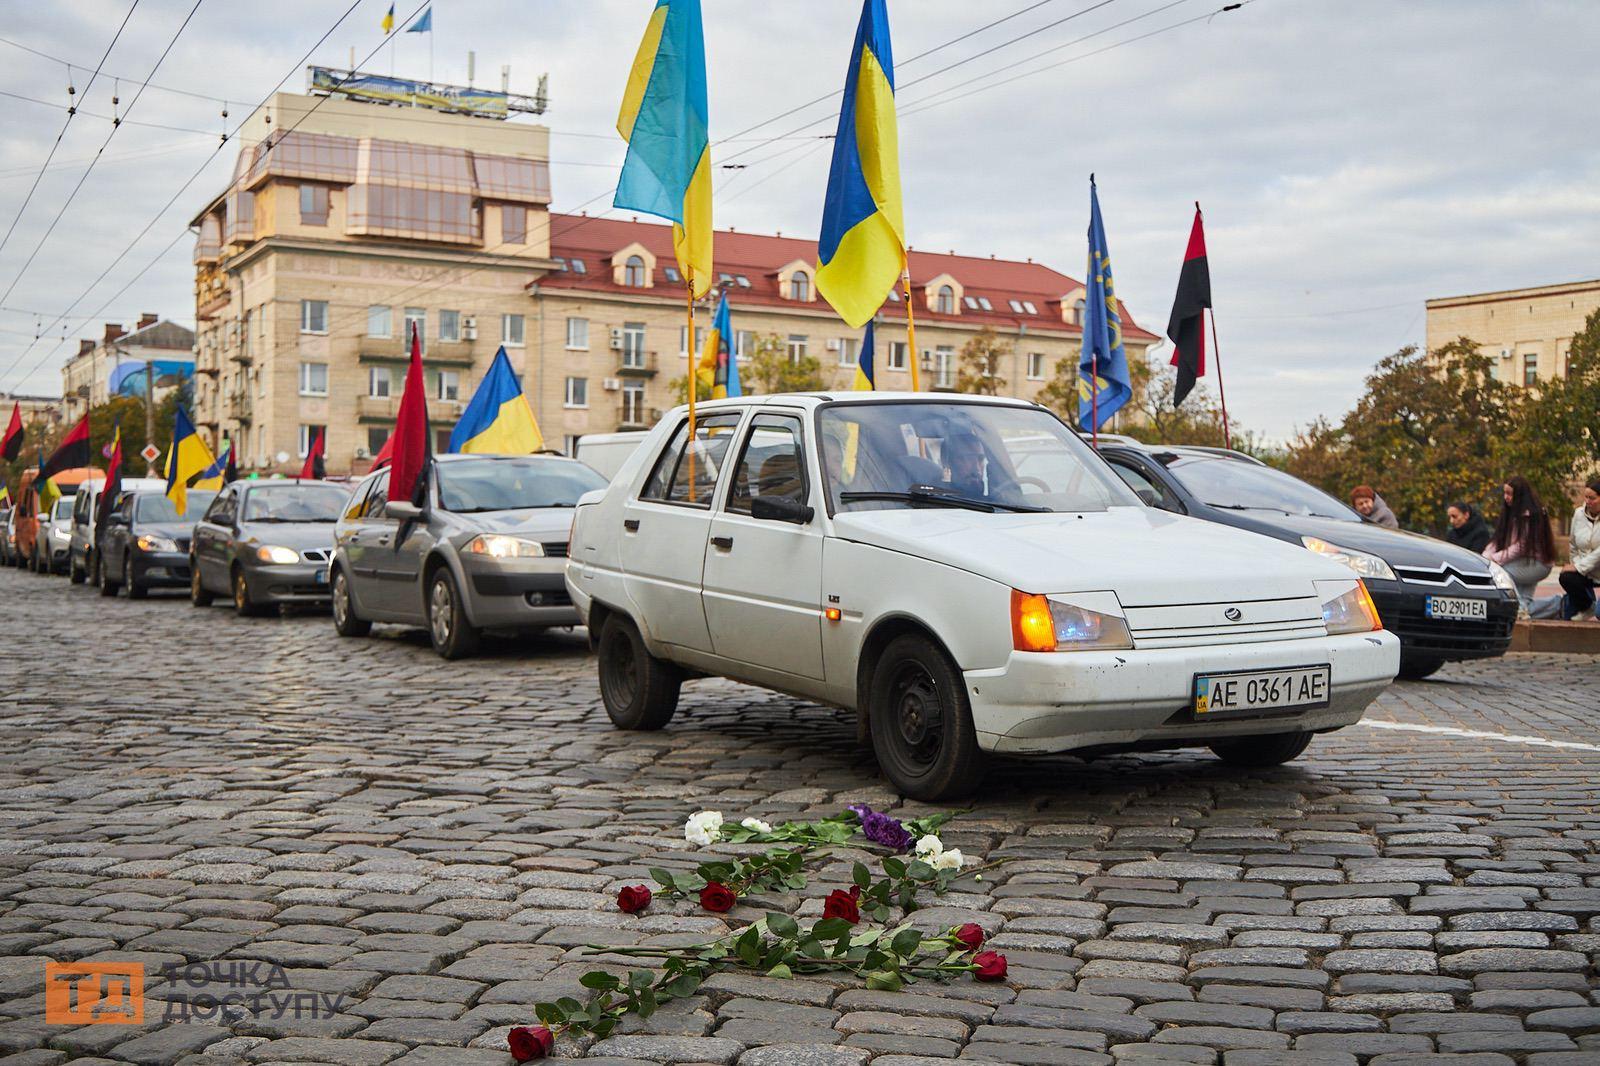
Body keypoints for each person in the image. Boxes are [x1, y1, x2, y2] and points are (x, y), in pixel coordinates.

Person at [1483, 475, 1556, 612]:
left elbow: (1521, 546)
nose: (1506, 497)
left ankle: (1519, 610)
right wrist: (1485, 555)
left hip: (1537, 563)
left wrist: (1494, 559)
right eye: (1505, 493)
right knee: (1524, 605)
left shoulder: (1531, 515)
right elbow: (1498, 538)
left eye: (1510, 494)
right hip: (1525, 562)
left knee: (1501, 573)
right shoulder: (1512, 512)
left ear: (1520, 495)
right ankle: (1558, 605)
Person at [1558, 475, 1600, 620]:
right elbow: (1573, 545)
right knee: (1566, 577)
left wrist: (1579, 567)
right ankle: (1587, 607)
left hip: (1594, 568)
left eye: (1592, 498)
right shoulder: (1578, 514)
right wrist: (1574, 564)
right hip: (1586, 571)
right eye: (1586, 497)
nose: (1588, 502)